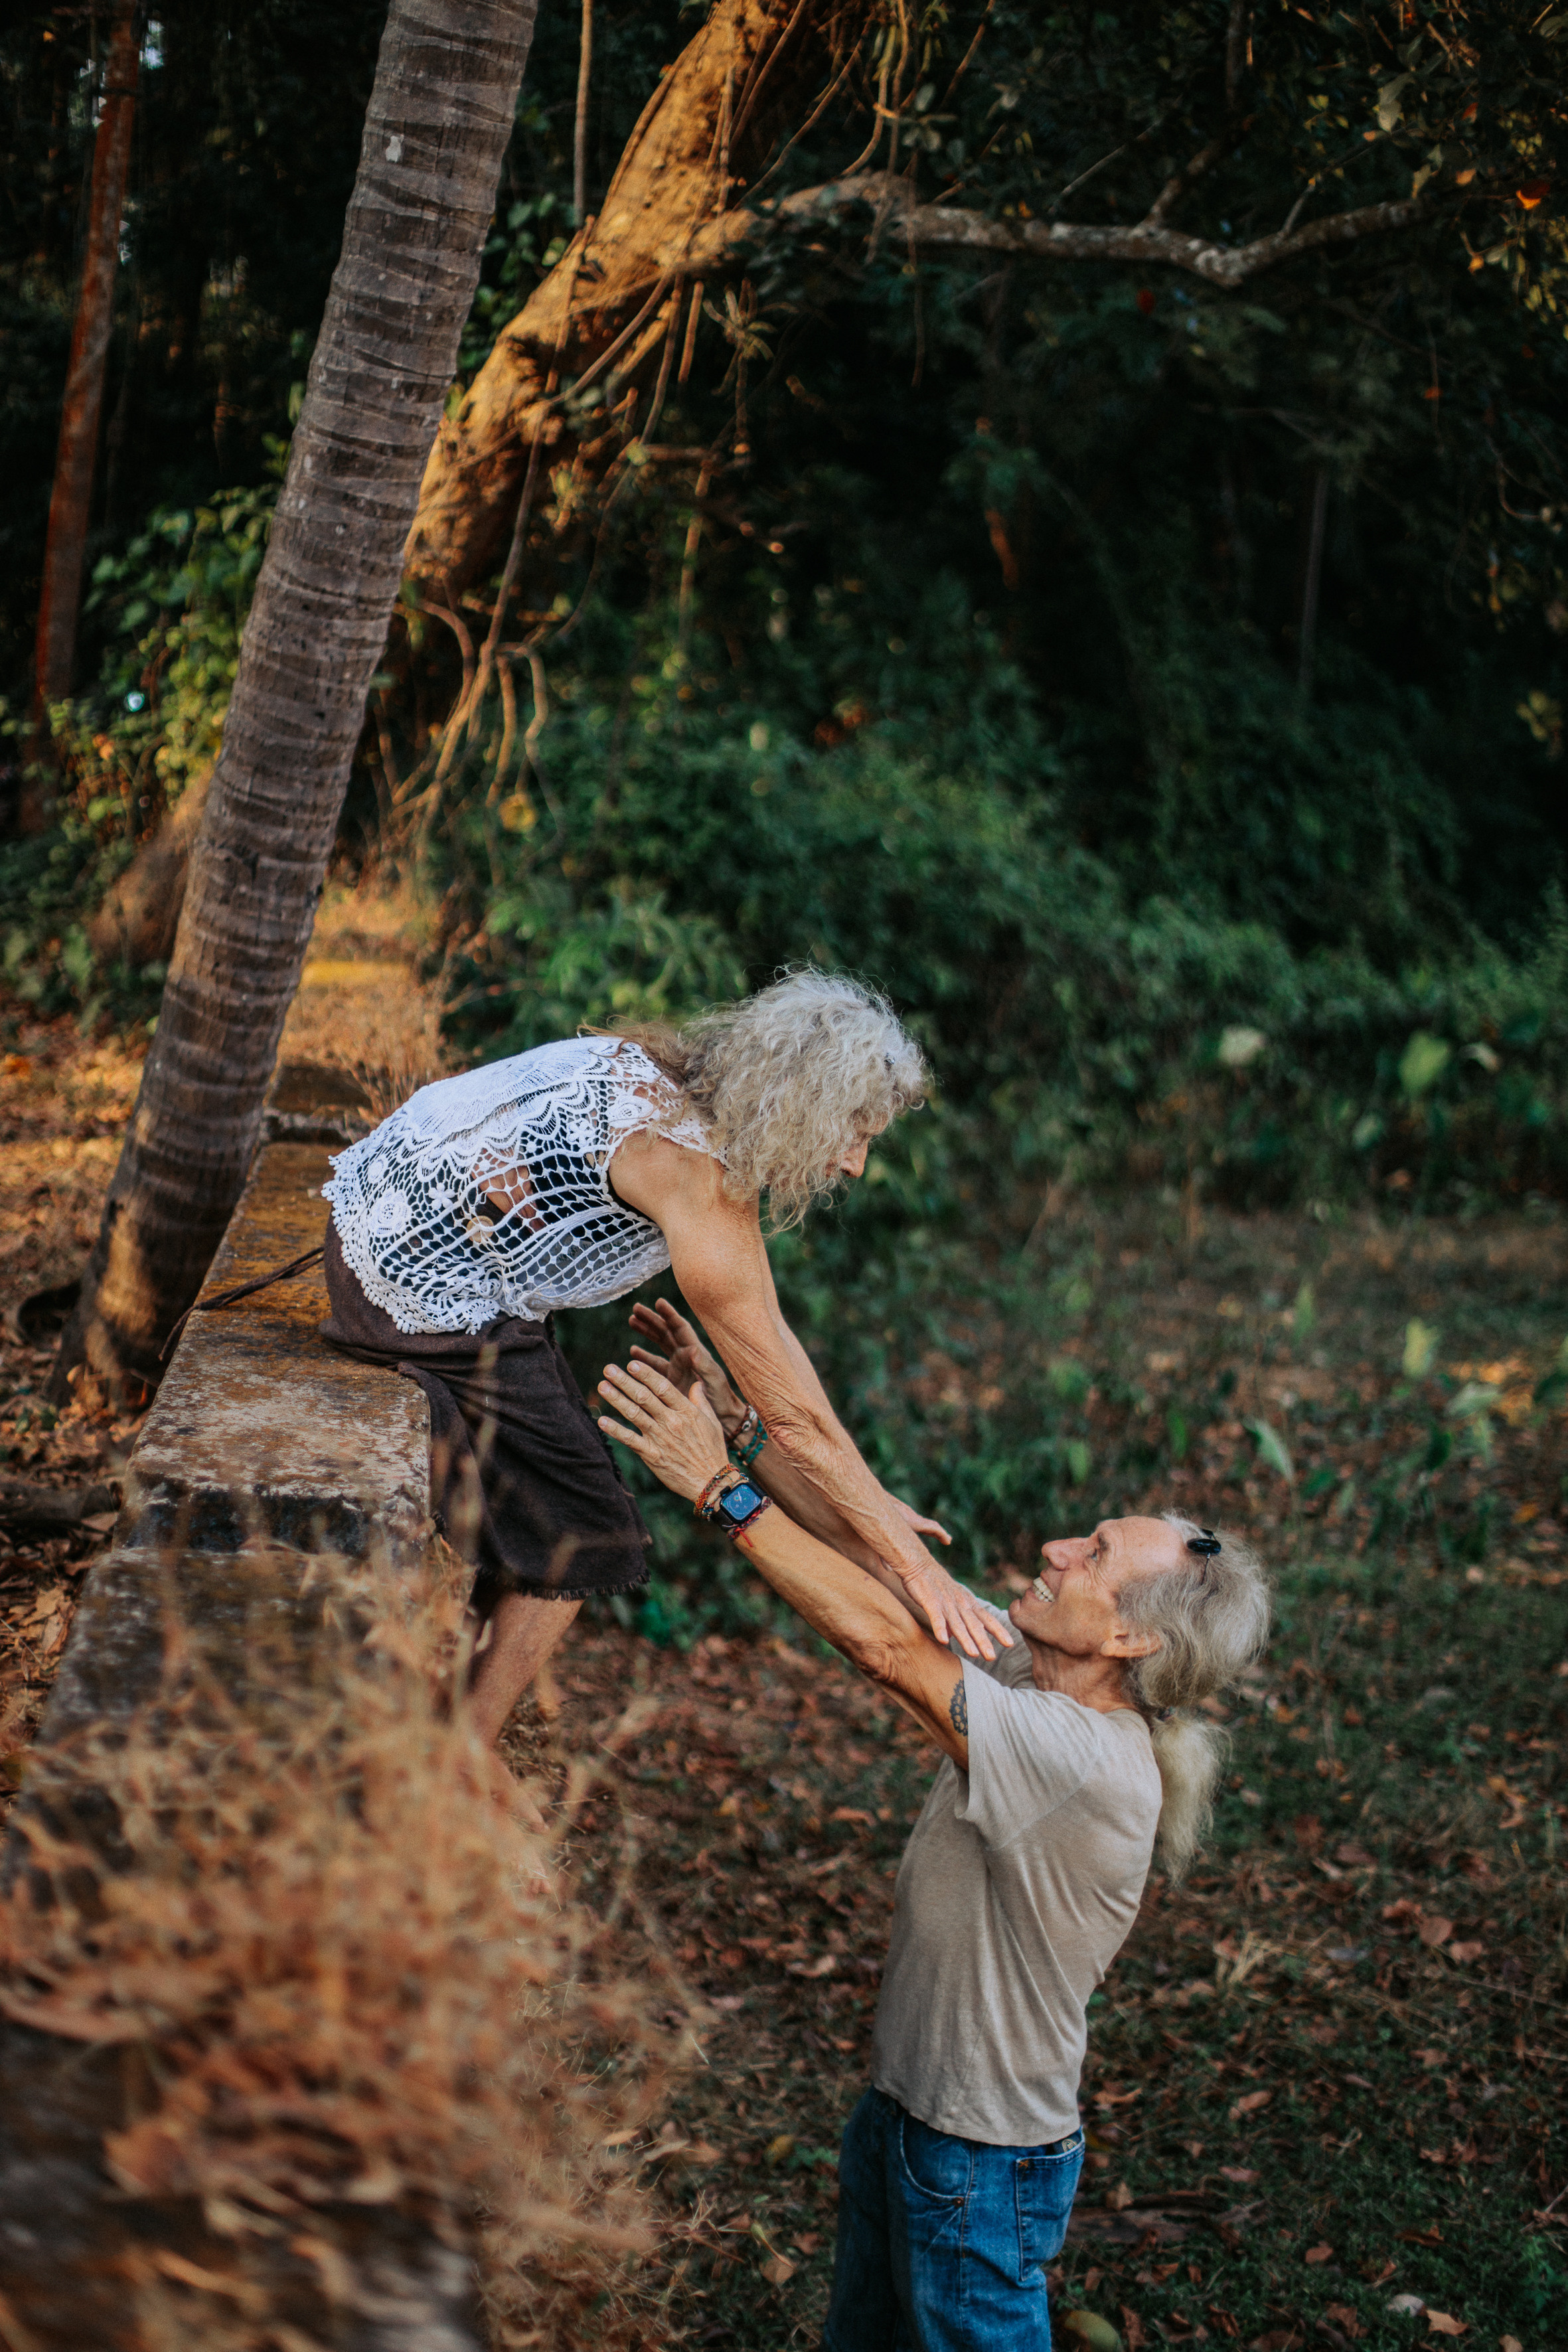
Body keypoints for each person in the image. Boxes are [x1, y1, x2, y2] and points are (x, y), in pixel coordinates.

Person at [593, 1345, 1271, 2352]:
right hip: (909, 2113)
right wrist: (742, 1430)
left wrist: (718, 1492)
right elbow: (879, 1567)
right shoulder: (1034, 1669)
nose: (1053, 1548)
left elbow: (887, 1648)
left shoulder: (1081, 1757)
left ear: (1132, 1642)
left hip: (977, 2156)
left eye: (1091, 1555)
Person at [317, 969, 1008, 1747]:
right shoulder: (693, 1174)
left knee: (554, 1486)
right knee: (590, 1525)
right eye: (855, 1134)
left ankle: (457, 1715)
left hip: (380, 1227)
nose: (854, 1164)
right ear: (804, 1109)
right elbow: (789, 1418)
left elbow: (773, 1339)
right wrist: (918, 1570)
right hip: (412, 1286)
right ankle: (462, 1757)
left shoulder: (671, 1085)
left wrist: (874, 1505)